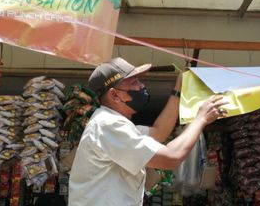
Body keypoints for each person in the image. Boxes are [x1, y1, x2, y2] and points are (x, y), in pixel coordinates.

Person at [68, 57, 228, 206]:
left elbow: (159, 131)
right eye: (134, 82)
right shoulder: (108, 125)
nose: (142, 86)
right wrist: (201, 119)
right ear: (114, 95)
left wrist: (178, 89)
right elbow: (171, 158)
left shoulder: (114, 124)